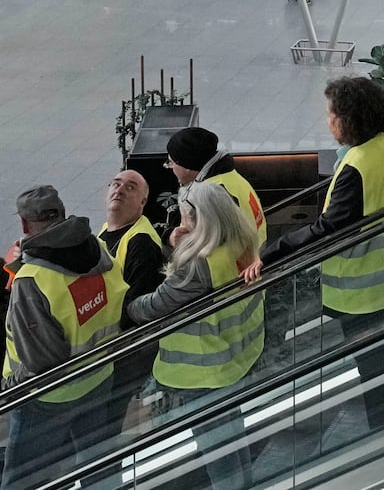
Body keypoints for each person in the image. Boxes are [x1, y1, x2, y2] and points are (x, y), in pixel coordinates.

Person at [246, 77, 384, 430]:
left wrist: (272, 252)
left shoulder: (355, 167)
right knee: (382, 354)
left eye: (331, 114)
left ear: (349, 119)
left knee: (374, 362)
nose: (328, 121)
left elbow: (327, 228)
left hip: (364, 292)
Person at [127, 182, 263, 490]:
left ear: (200, 220)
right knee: (232, 439)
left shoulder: (198, 262)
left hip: (202, 372)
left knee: (218, 451)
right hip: (237, 356)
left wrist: (129, 307)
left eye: (186, 217)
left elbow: (156, 305)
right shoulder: (241, 238)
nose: (181, 223)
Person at [1, 187, 127, 488]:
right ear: (60, 212)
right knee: (97, 464)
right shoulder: (98, 247)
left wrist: (8, 389)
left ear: (24, 225)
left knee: (23, 478)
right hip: (98, 376)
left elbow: (41, 362)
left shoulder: (32, 279)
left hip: (48, 397)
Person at [100, 171, 165, 423]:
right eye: (115, 184)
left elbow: (135, 307)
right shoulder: (107, 230)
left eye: (130, 187)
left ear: (142, 201)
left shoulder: (141, 243)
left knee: (106, 423)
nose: (119, 190)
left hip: (121, 356)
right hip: (106, 350)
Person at [164, 126, 267, 246]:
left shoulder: (207, 195)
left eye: (170, 163)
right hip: (256, 253)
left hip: (226, 263)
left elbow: (190, 246)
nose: (170, 168)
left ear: (186, 166)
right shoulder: (230, 177)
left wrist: (169, 238)